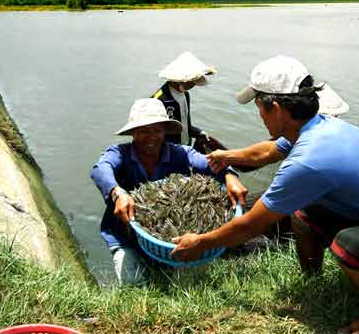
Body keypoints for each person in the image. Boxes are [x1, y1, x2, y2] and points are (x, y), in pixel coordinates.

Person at [171, 56, 359, 334]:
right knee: (303, 213)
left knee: (349, 246)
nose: (258, 114)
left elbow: (252, 225)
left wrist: (201, 242)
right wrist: (226, 156)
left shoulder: (309, 159)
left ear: (277, 108)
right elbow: (265, 152)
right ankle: (312, 280)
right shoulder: (316, 126)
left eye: (259, 105)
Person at [90, 98, 247, 285]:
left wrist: (230, 175)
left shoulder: (181, 153)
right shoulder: (119, 153)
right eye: (143, 131)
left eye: (157, 130)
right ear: (133, 133)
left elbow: (209, 164)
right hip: (125, 237)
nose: (151, 137)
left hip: (173, 242)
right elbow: (100, 169)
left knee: (188, 284)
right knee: (133, 285)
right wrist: (118, 193)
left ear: (165, 131)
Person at [151, 51, 216, 146]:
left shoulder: (185, 95)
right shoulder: (159, 100)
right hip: (168, 151)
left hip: (184, 146)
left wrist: (198, 132)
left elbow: (185, 125)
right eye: (191, 81)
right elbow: (154, 133)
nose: (193, 85)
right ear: (178, 80)